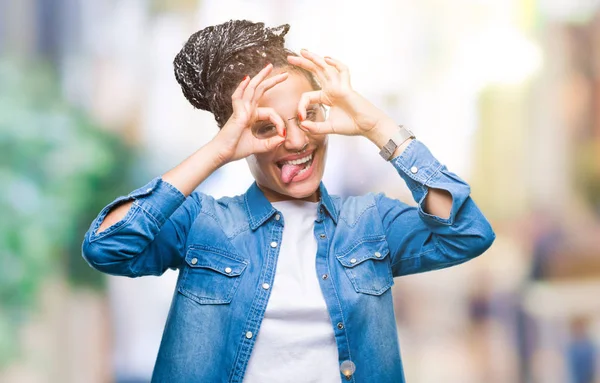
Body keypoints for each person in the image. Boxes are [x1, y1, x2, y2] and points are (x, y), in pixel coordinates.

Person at [82, 20, 495, 383]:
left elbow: (467, 233)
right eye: (267, 126)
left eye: (308, 117)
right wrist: (217, 151)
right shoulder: (202, 223)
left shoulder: (370, 223)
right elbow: (107, 247)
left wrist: (374, 124)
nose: (296, 141)